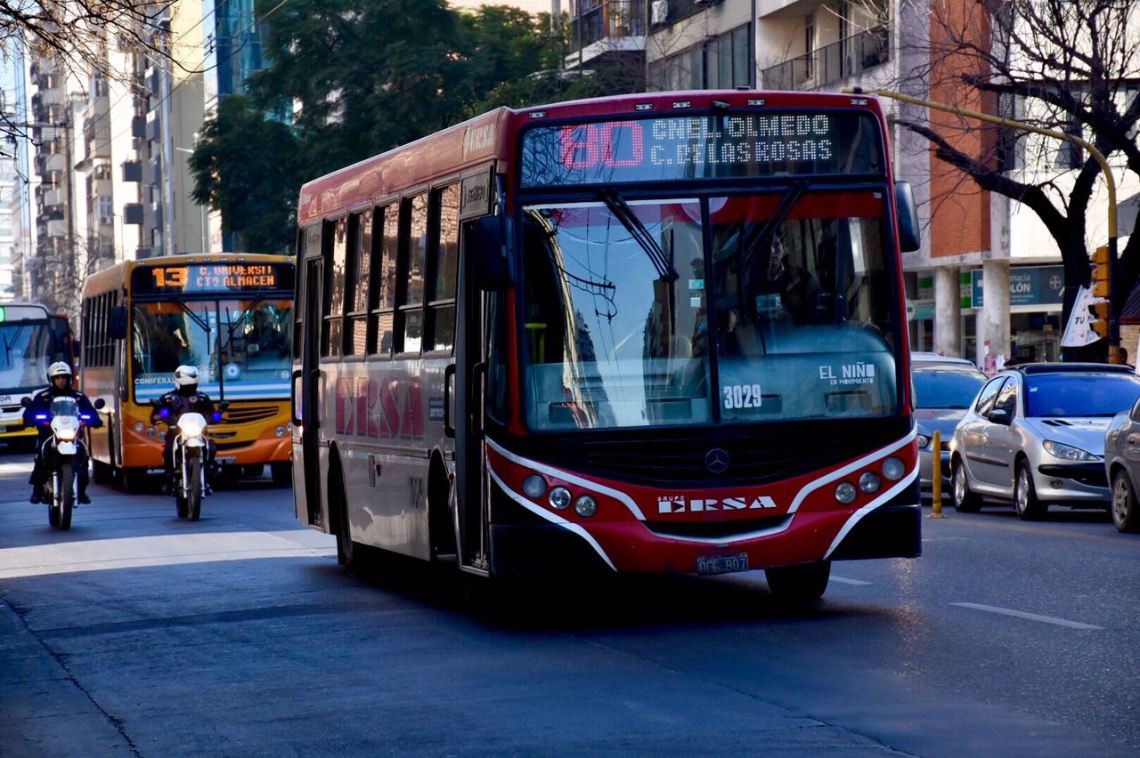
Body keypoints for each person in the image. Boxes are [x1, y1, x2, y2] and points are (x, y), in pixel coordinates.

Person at [23, 362, 103, 505]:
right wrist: (37, 419)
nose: (61, 380)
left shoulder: (78, 396)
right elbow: (29, 414)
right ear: (51, 379)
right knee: (41, 457)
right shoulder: (43, 396)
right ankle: (37, 490)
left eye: (64, 377)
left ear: (69, 378)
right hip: (49, 435)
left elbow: (92, 414)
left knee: (83, 457)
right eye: (58, 377)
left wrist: (90, 420)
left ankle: (82, 491)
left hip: (72, 436)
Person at [150, 365, 218, 495]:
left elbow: (211, 413)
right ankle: (170, 477)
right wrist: (160, 416)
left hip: (198, 433)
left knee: (212, 448)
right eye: (187, 386)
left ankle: (208, 476)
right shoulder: (167, 398)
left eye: (192, 386)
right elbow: (156, 415)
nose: (190, 388)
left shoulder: (202, 398)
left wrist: (216, 416)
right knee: (169, 450)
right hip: (176, 433)